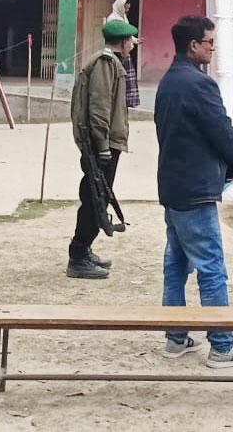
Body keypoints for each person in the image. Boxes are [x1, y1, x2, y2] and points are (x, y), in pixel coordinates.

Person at [154, 15, 233, 369]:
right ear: (193, 45)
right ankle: (222, 345)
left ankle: (175, 336)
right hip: (195, 190)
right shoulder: (199, 84)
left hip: (173, 186)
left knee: (176, 264)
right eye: (209, 42)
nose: (213, 48)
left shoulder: (167, 81)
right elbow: (222, 129)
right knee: (212, 268)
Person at [67, 18, 139, 279]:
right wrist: (103, 146)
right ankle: (78, 255)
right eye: (130, 39)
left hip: (106, 143)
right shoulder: (106, 64)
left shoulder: (111, 62)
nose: (133, 43)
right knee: (94, 199)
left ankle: (83, 249)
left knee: (97, 197)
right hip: (102, 145)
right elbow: (100, 108)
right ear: (122, 42)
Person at [106, 0, 142, 109]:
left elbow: (127, 34)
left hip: (125, 51)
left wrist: (135, 40)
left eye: (127, 9)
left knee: (127, 77)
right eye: (125, 8)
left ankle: (128, 101)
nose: (126, 11)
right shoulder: (112, 19)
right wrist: (122, 48)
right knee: (119, 77)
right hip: (117, 52)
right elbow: (116, 36)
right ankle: (118, 100)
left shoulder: (123, 18)